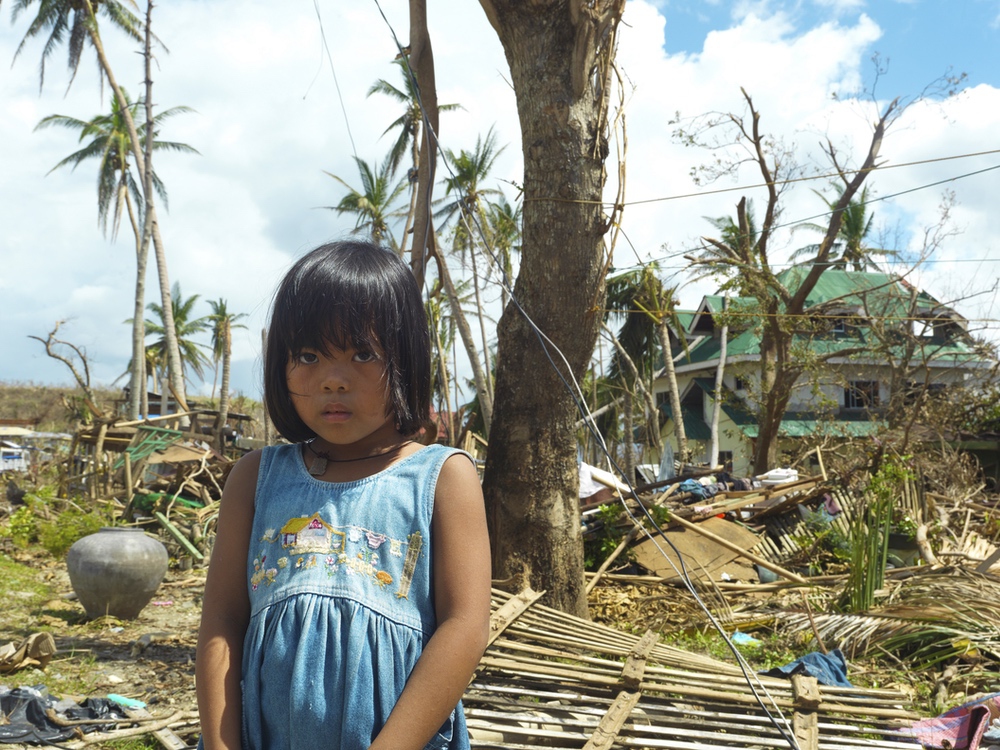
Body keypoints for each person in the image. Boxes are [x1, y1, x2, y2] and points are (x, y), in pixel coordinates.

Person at [196, 241, 492, 750]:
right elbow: (222, 622)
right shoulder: (256, 479)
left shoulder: (441, 477)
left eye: (363, 353)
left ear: (406, 358)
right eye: (309, 355)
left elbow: (464, 626)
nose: (333, 380)